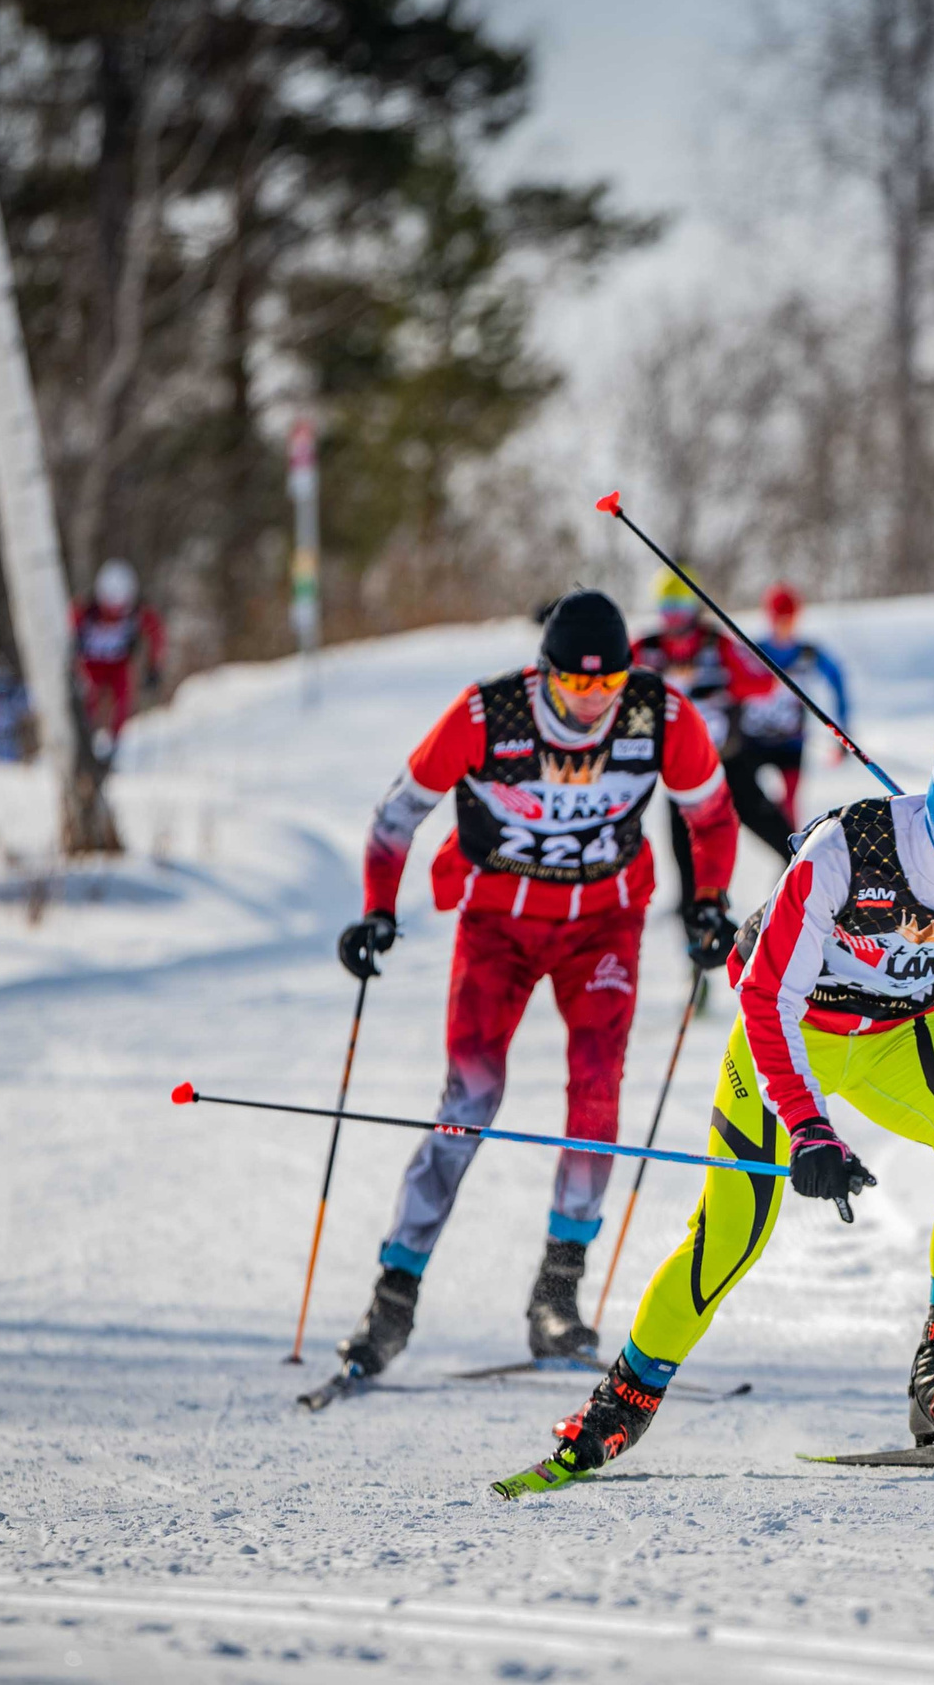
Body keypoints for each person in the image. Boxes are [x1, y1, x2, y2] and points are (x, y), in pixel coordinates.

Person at [526, 712, 934, 1486]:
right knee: (733, 1231)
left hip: (898, 1035)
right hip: (793, 1031)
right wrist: (808, 1126)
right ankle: (621, 1402)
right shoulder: (847, 849)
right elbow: (766, 998)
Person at [329, 589, 743, 1378]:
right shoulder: (486, 714)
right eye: (575, 684)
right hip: (499, 924)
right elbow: (396, 814)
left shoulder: (659, 714)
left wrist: (710, 902)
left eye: (608, 683)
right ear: (544, 673)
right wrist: (377, 909)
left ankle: (557, 1295)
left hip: (603, 926)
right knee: (471, 1098)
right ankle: (393, 1294)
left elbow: (713, 814)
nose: (593, 701)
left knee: (597, 1090)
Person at [631, 568, 766, 900]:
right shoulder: (646, 648)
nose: (674, 618)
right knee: (686, 863)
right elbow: (610, 679)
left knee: (778, 833)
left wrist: (725, 684)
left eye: (680, 607)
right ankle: (695, 919)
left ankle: (797, 897)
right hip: (679, 768)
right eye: (667, 609)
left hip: (729, 762)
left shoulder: (716, 644)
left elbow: (762, 683)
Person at [729, 581, 852, 838]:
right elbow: (732, 684)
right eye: (779, 619)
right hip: (754, 741)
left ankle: (790, 851)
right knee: (743, 799)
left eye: (790, 619)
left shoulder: (807, 654)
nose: (784, 625)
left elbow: (837, 679)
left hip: (791, 742)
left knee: (789, 804)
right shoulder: (753, 651)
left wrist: (843, 729)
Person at [73, 558, 164, 759]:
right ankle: (85, 743)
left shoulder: (136, 613)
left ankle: (115, 745)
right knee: (87, 699)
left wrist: (154, 666)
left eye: (119, 610)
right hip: (90, 665)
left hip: (118, 665)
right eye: (109, 611)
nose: (114, 616)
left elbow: (156, 632)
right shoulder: (85, 613)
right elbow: (63, 631)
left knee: (124, 698)